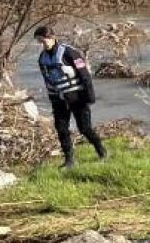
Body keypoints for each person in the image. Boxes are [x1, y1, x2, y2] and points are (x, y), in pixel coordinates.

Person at [34, 26, 106, 169]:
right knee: (61, 129)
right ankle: (69, 161)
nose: (43, 43)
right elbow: (47, 81)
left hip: (77, 97)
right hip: (58, 99)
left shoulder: (69, 52)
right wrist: (53, 99)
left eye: (44, 40)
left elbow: (84, 74)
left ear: (52, 37)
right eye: (40, 41)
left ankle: (102, 152)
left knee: (84, 128)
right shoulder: (42, 58)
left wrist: (90, 96)